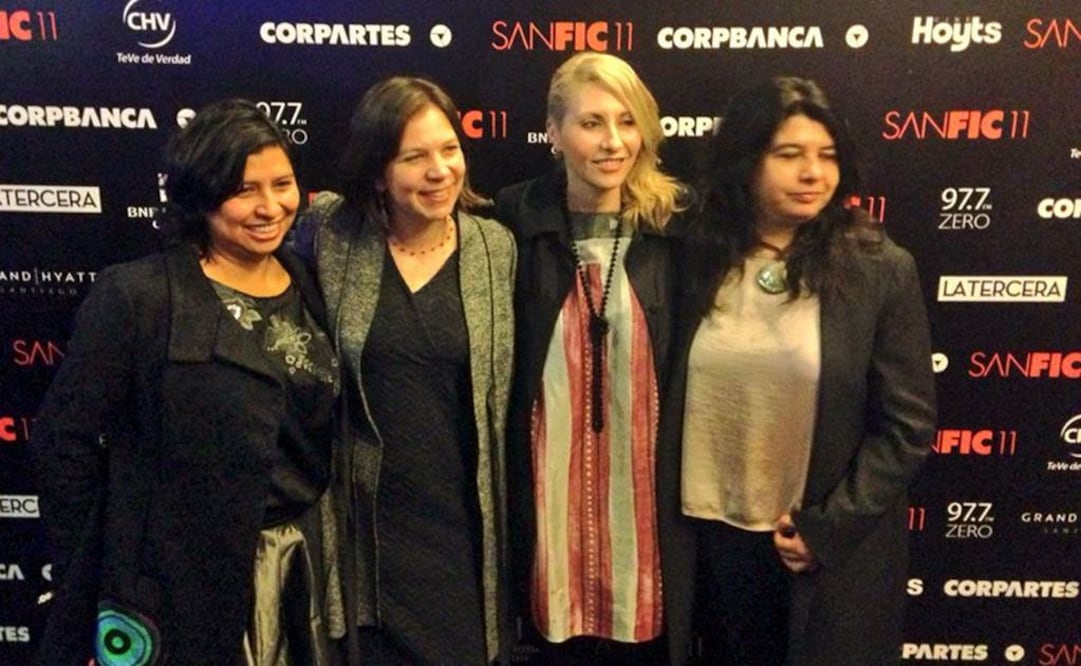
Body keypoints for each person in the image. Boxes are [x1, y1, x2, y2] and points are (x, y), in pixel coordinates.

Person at [32, 99, 340, 665]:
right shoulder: (138, 297)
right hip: (175, 593)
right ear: (201, 195)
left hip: (300, 570)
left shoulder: (311, 282)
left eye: (283, 184)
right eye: (245, 189)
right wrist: (112, 564)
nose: (271, 207)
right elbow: (61, 442)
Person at [676, 76, 937, 665]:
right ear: (744, 161)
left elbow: (907, 427)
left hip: (808, 544)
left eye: (827, 156)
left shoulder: (877, 269)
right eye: (789, 155)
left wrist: (827, 529)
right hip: (706, 544)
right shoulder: (691, 255)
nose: (813, 173)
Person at [292, 76, 516, 665]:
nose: (440, 170)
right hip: (362, 525)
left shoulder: (496, 248)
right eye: (414, 157)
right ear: (377, 171)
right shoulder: (329, 236)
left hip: (461, 522)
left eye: (450, 149)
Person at [494, 52, 695, 665]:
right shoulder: (511, 220)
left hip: (648, 506)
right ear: (553, 133)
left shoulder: (679, 224)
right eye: (591, 123)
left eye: (627, 121)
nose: (614, 142)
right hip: (547, 503)